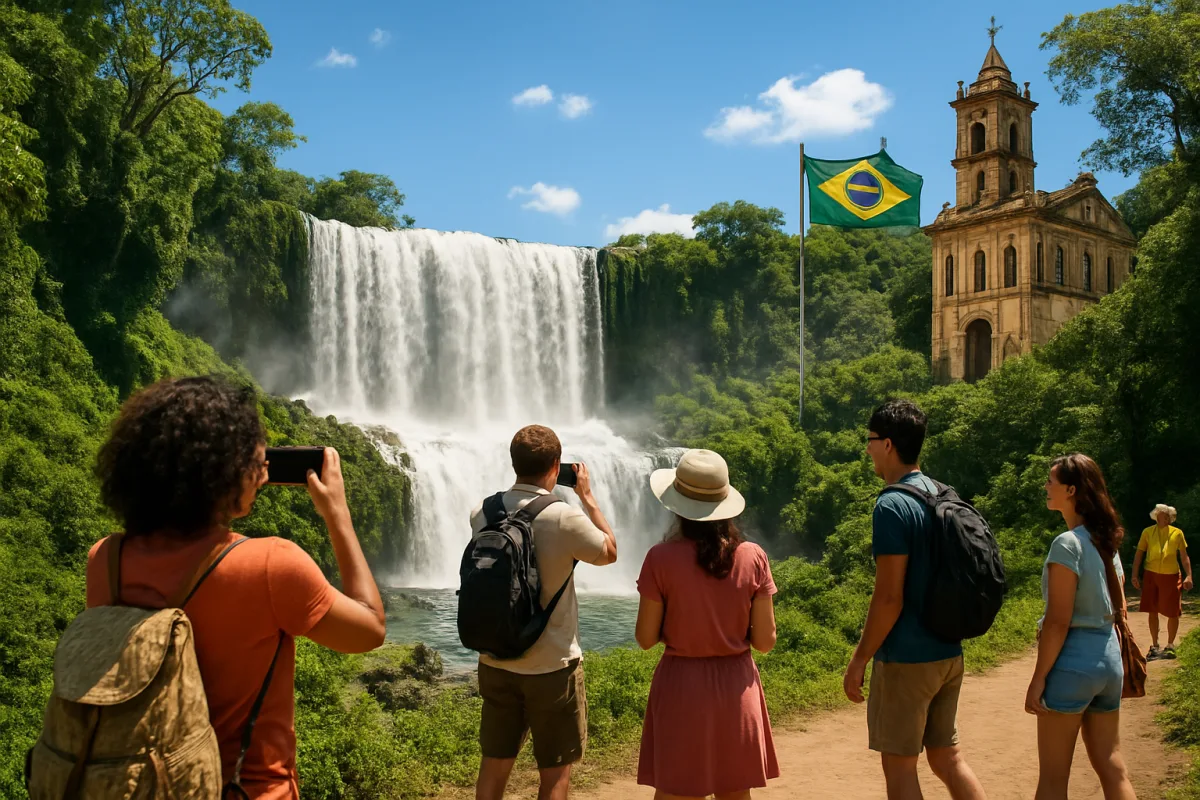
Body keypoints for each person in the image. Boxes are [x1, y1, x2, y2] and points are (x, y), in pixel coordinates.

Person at [87, 376, 387, 799]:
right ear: (221, 470)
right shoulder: (272, 564)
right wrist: (337, 515)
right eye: (255, 459)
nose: (263, 472)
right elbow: (370, 630)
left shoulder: (106, 561)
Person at [843, 399, 987, 800]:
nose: (867, 448)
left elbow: (889, 597)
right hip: (948, 651)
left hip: (907, 658)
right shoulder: (942, 492)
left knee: (900, 766)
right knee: (947, 757)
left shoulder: (892, 504)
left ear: (887, 444)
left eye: (870, 440)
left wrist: (859, 660)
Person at [471, 424, 618, 800]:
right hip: (552, 665)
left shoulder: (482, 512)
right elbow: (608, 552)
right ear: (556, 465)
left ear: (513, 462)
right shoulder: (563, 517)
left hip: (495, 660)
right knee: (555, 773)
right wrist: (588, 497)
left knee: (494, 763)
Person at [635, 448, 780, 800]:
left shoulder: (660, 558)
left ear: (677, 505)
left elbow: (644, 638)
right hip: (737, 688)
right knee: (735, 793)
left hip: (682, 687)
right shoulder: (753, 555)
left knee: (675, 792)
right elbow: (765, 641)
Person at [1023, 453, 1136, 800]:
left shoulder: (1067, 544)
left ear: (1071, 490)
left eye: (1051, 481)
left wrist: (1038, 677)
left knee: (1054, 778)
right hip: (1109, 661)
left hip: (1072, 665)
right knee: (1112, 765)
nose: (1046, 486)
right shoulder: (1106, 542)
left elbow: (1059, 621)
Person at [1132, 503, 1192, 659]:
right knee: (1152, 609)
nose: (1161, 517)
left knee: (1173, 611)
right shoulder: (1147, 532)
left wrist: (1189, 575)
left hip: (1171, 575)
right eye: (1159, 514)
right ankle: (1154, 645)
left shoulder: (1177, 533)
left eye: (1165, 515)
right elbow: (1139, 554)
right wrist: (1134, 574)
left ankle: (1170, 645)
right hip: (1151, 574)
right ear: (1155, 516)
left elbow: (1184, 556)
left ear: (1170, 518)